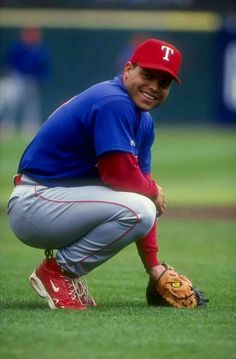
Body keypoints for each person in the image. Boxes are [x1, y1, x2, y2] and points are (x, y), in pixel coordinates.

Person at [8, 38, 182, 310]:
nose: (154, 87)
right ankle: (58, 272)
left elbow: (138, 188)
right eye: (147, 75)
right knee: (141, 208)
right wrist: (153, 190)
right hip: (36, 202)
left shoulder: (143, 121)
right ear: (127, 70)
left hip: (56, 201)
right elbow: (120, 177)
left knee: (143, 205)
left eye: (164, 83)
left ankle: (63, 272)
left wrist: (154, 266)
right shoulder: (114, 101)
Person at [0, 27, 51, 136]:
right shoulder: (17, 47)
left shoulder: (41, 49)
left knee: (32, 105)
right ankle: (7, 126)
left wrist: (42, 79)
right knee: (11, 104)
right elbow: (9, 63)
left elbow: (44, 67)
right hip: (17, 79)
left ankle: (30, 126)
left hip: (33, 81)